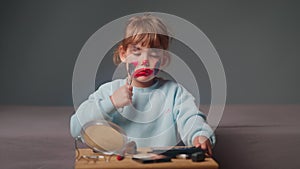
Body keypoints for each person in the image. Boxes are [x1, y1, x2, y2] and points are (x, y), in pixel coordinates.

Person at [70, 14, 215, 156]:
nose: (145, 60)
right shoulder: (109, 92)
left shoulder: (175, 93)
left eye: (153, 54)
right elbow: (76, 128)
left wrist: (199, 135)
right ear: (123, 54)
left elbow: (191, 119)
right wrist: (111, 102)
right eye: (136, 51)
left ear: (163, 60)